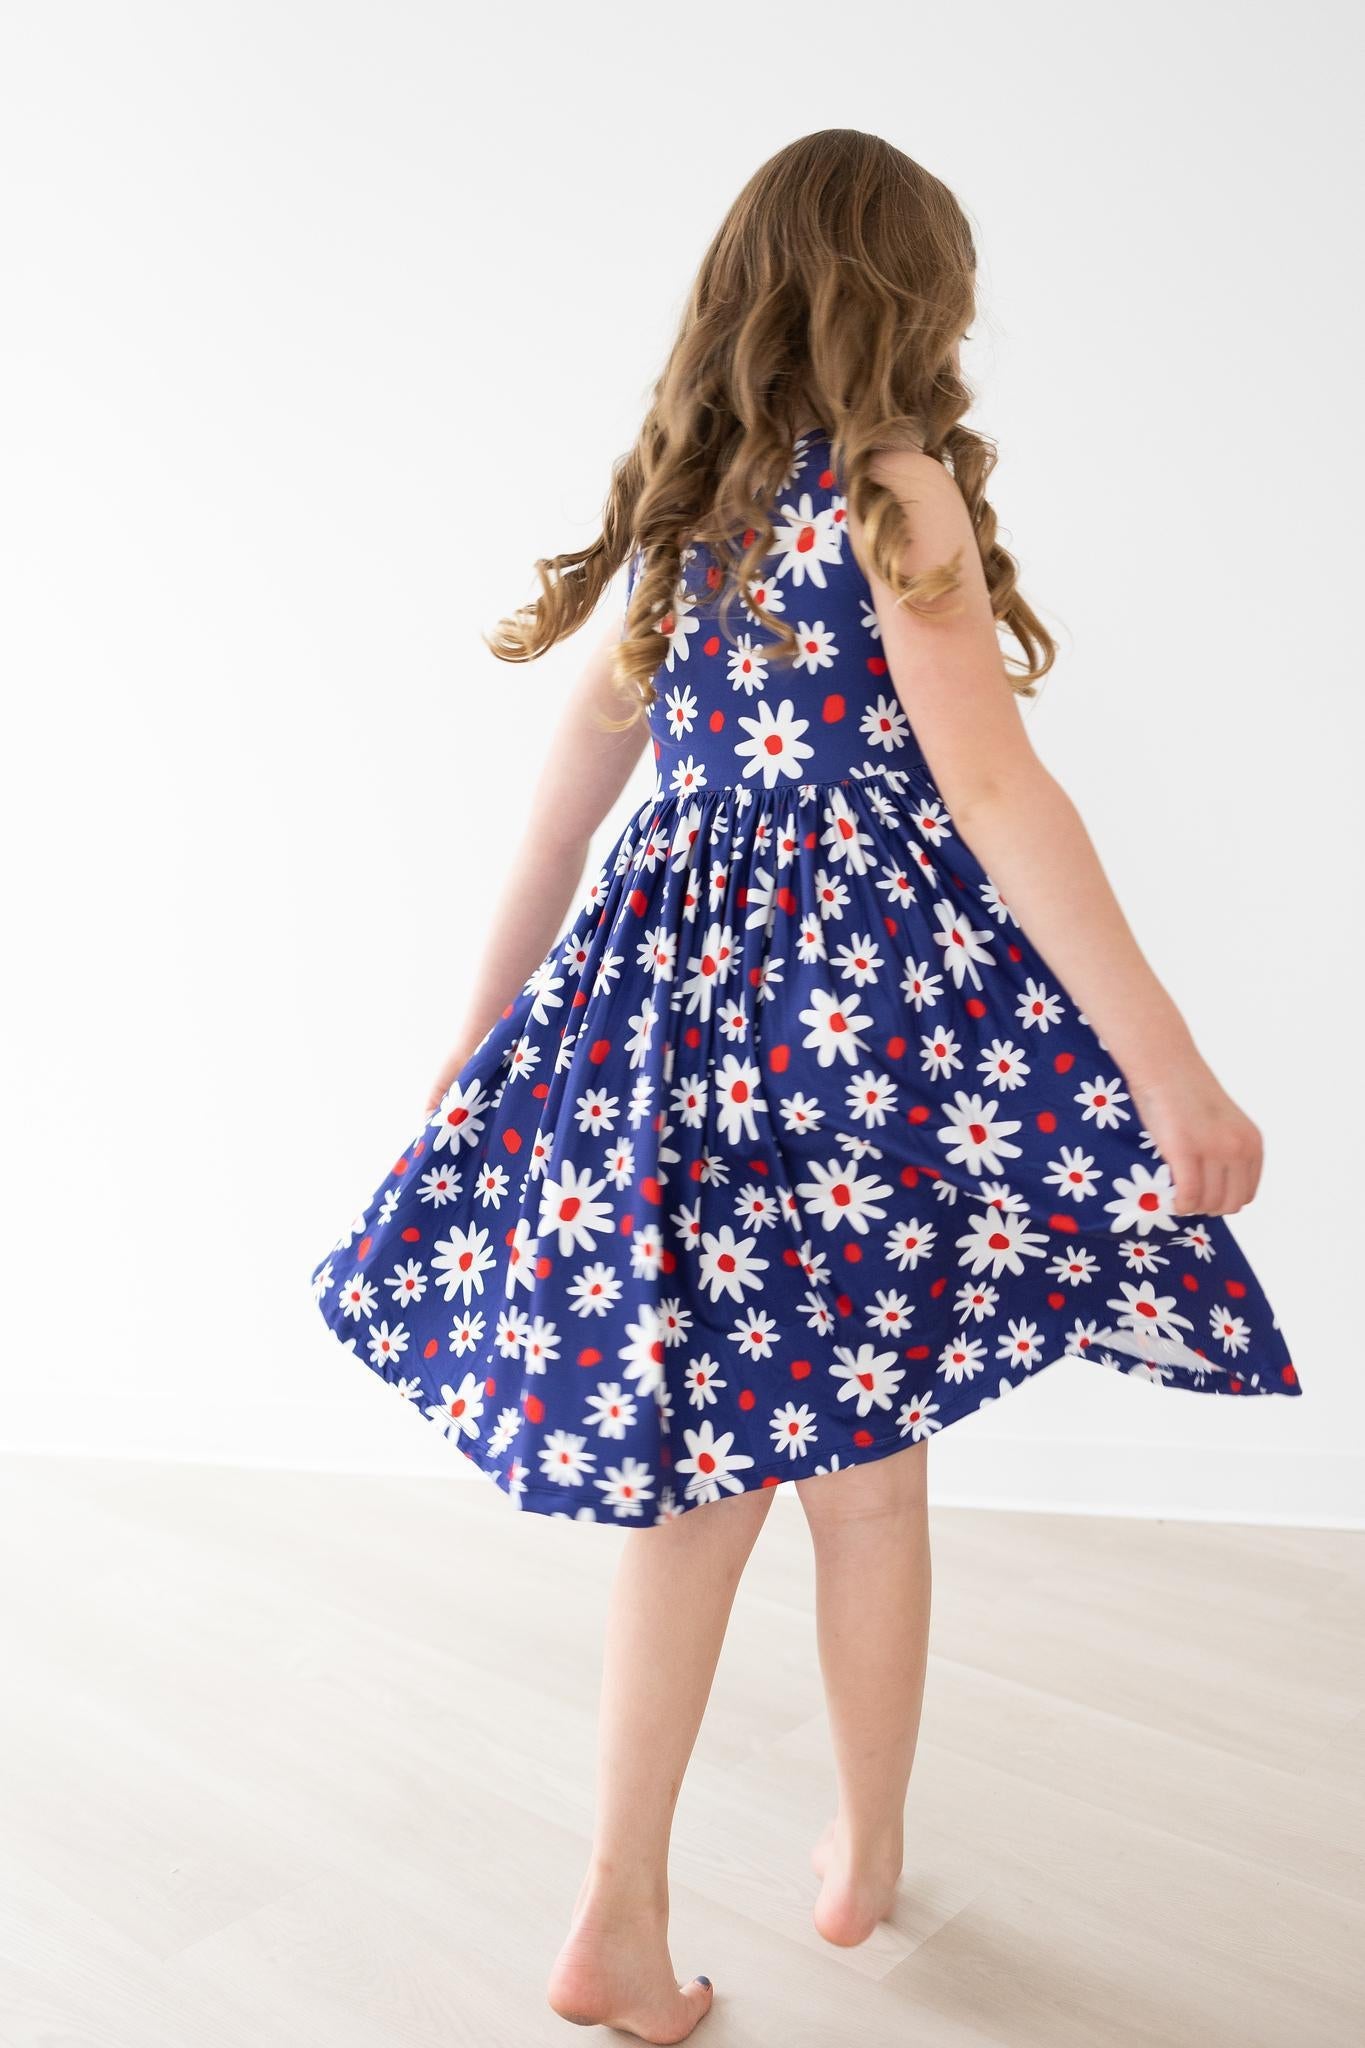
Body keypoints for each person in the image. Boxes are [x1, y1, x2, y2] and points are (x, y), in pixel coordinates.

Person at [308, 128, 1301, 2043]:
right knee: (866, 1480)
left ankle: (625, 1901)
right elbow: (995, 792)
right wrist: (1170, 1071)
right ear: (910, 298)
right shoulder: (892, 489)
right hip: (854, 1049)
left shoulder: (689, 516)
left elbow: (562, 815)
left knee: (701, 1484)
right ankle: (856, 1855)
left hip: (676, 1037)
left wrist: (477, 1035)